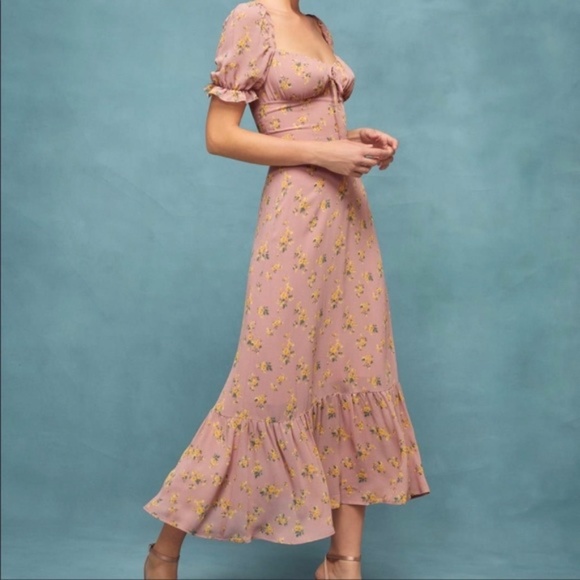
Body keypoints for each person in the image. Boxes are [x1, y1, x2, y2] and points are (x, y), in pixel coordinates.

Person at [143, 1, 430, 578]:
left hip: (349, 218)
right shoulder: (251, 19)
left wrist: (353, 139)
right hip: (295, 218)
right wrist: (326, 151)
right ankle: (164, 552)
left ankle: (343, 563)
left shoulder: (316, 25)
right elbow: (220, 136)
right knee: (264, 388)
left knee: (355, 377)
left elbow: (307, 124)